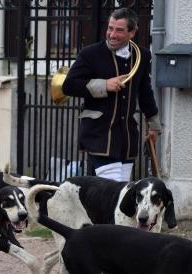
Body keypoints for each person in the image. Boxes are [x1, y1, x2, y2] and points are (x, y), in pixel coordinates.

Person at [62, 7, 160, 182]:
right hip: (99, 136)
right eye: (110, 28)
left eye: (119, 30)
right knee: (112, 193)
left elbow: (145, 92)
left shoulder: (142, 56)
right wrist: (104, 85)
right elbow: (68, 86)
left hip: (127, 138)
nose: (112, 34)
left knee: (119, 193)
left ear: (133, 32)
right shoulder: (90, 54)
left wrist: (153, 126)